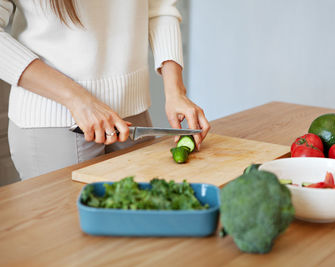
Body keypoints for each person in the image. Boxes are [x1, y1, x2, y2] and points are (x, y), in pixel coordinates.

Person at [0, 0, 210, 180]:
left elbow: (160, 7)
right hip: (54, 123)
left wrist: (175, 91)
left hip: (132, 118)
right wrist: (77, 99)